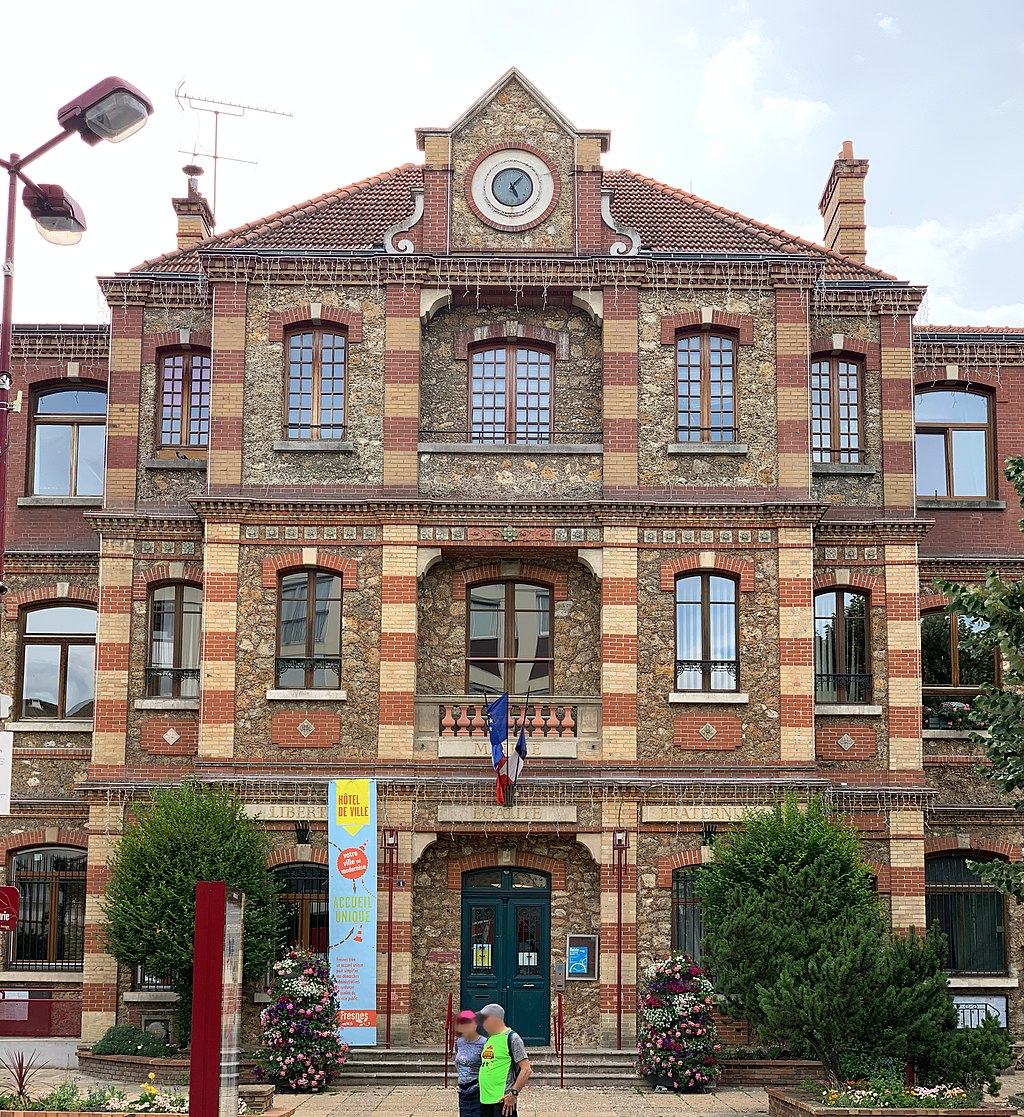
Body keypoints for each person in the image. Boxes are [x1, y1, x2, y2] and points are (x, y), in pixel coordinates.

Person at [477, 1003, 532, 1117]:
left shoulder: (512, 1038)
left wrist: (513, 1093)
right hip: (485, 1100)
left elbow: (526, 1069)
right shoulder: (489, 1039)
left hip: (503, 1101)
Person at [454, 1009, 487, 1117]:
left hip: (477, 1091)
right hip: (462, 1092)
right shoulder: (459, 1042)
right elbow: (458, 1061)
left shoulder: (484, 1043)